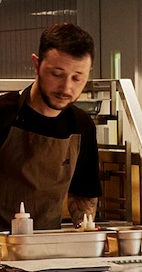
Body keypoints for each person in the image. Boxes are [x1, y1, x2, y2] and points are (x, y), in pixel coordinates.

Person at [0, 23, 102, 230]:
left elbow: (83, 194)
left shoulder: (82, 125)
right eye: (57, 74)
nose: (66, 87)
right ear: (36, 65)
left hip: (48, 248)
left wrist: (85, 232)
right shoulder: (3, 114)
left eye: (77, 77)